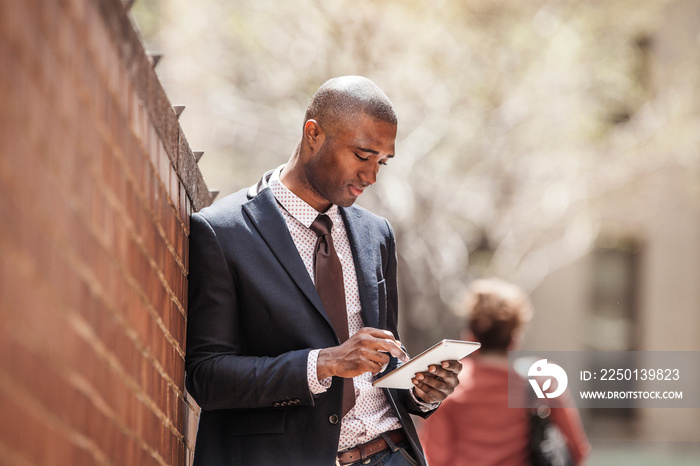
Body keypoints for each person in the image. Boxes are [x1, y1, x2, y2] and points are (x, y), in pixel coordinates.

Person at [185, 76, 462, 466]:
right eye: (363, 155)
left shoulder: (375, 233)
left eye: (382, 161)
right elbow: (207, 377)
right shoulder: (222, 232)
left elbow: (384, 356)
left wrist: (420, 389)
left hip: (392, 452)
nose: (371, 176)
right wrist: (325, 363)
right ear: (313, 133)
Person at [419, 278, 590, 466]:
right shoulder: (540, 381)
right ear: (515, 339)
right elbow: (578, 451)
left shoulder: (447, 386)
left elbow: (435, 458)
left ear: (470, 337)